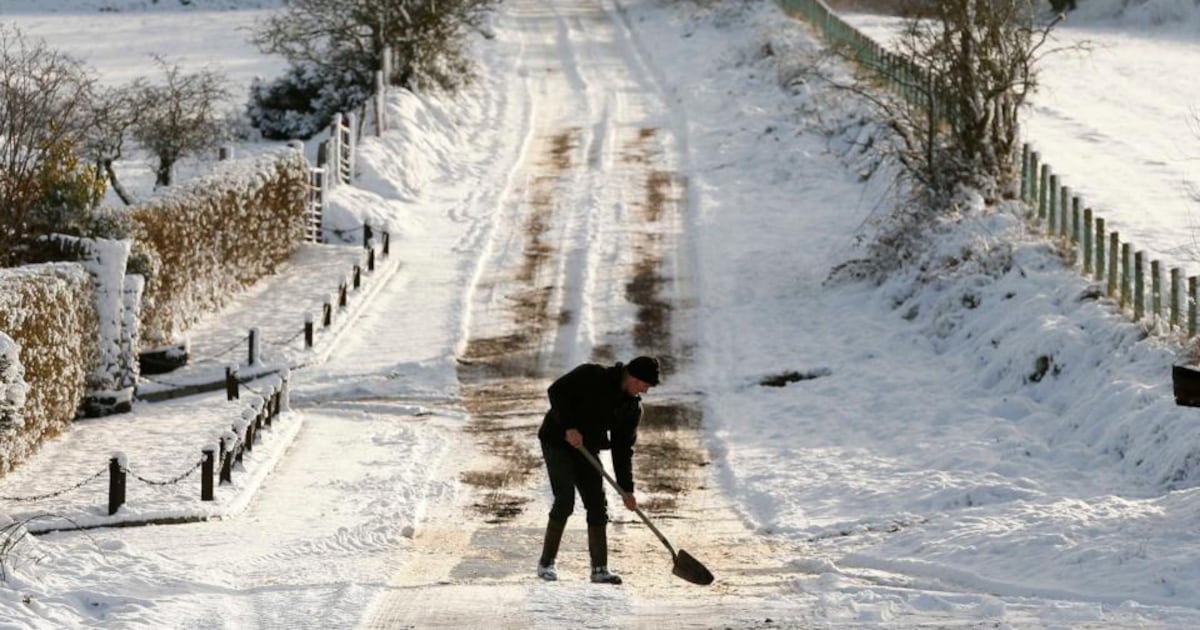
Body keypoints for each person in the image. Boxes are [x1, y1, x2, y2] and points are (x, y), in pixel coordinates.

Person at [535, 355, 661, 585]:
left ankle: (600, 569)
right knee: (565, 499)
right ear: (633, 378)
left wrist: (627, 490)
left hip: (587, 447)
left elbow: (623, 449)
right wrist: (569, 426)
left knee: (596, 503)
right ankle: (546, 563)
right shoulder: (592, 375)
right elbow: (556, 391)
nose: (646, 391)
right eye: (645, 385)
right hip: (557, 439)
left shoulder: (632, 409)